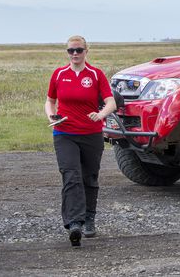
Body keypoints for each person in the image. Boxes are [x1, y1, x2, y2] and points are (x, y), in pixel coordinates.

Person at [44, 35, 116, 247]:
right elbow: (50, 101)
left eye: (78, 50)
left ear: (86, 51)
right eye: (70, 51)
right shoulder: (59, 74)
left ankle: (89, 219)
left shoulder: (95, 75)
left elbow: (111, 102)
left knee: (89, 177)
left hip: (91, 134)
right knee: (71, 175)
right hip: (64, 133)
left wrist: (101, 114)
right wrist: (51, 116)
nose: (74, 54)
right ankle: (74, 223)